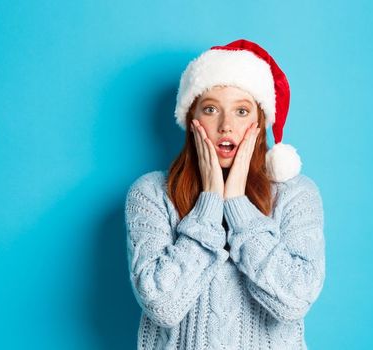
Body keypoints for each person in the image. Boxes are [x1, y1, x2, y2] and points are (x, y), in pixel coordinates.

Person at [124, 39, 325, 349]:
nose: (226, 125)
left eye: (241, 111)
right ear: (191, 119)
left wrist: (237, 206)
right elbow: (162, 305)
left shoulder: (296, 194)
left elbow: (294, 303)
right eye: (211, 109)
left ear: (260, 122)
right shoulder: (151, 193)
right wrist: (210, 203)